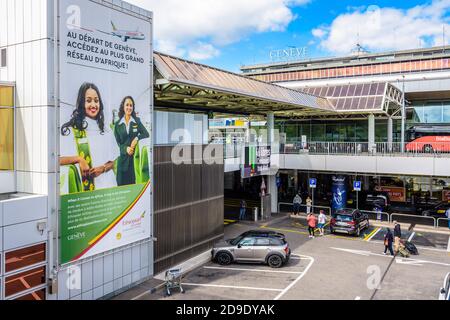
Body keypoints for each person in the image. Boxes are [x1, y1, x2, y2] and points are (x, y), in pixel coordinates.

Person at [60, 83, 115, 193]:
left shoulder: (106, 130)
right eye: (88, 100)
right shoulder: (72, 130)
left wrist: (103, 168)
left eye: (96, 100)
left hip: (109, 189)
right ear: (81, 103)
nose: (93, 104)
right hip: (85, 197)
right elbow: (57, 159)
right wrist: (79, 159)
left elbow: (115, 161)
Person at [114, 96, 150, 186]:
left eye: (131, 105)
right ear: (123, 106)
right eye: (127, 105)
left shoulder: (136, 121)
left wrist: (137, 138)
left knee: (133, 189)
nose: (129, 107)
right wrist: (126, 149)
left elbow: (146, 134)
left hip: (133, 164)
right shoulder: (117, 125)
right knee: (121, 191)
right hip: (122, 163)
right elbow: (117, 145)